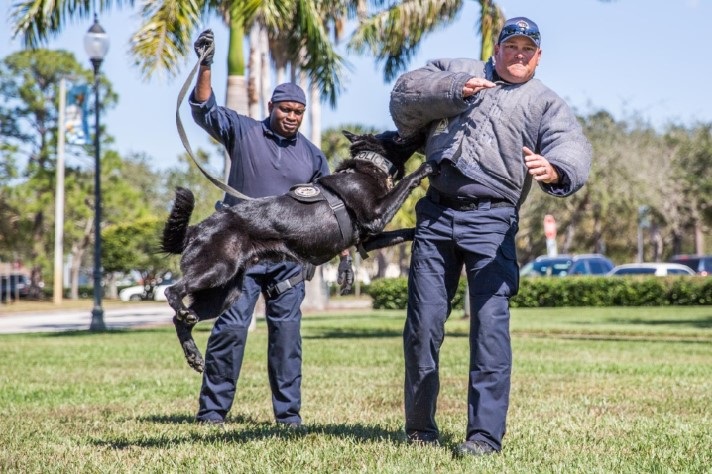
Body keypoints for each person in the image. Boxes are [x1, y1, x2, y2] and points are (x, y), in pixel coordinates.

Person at [389, 17, 592, 455]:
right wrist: (456, 88)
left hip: (493, 221)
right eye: (511, 46)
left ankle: (483, 437)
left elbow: (571, 145)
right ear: (496, 48)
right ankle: (420, 429)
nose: (518, 55)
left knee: (490, 331)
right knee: (422, 327)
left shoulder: (545, 103)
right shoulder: (460, 67)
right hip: (436, 214)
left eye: (527, 49)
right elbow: (406, 90)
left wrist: (556, 169)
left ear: (538, 57)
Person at [189, 29, 349, 428]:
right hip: (240, 256)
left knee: (287, 340)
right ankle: (212, 413)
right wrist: (206, 64)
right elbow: (203, 109)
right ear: (272, 107)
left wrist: (344, 258)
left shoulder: (312, 155)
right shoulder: (243, 131)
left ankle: (288, 418)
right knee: (230, 330)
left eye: (298, 111)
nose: (292, 117)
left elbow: (333, 210)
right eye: (285, 110)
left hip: (286, 262)